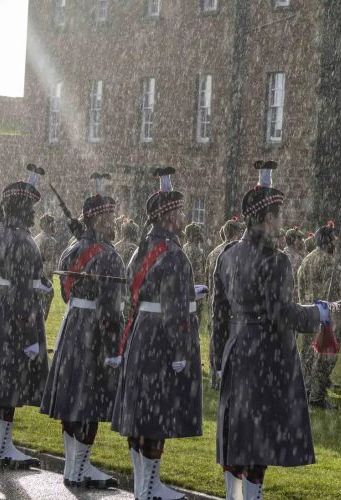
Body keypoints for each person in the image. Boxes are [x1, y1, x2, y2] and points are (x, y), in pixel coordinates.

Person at [213, 160, 334, 500]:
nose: (283, 223)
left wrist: (217, 357)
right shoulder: (276, 260)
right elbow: (282, 313)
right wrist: (320, 313)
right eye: (279, 216)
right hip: (265, 353)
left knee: (236, 431)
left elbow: (219, 313)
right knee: (258, 436)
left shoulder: (227, 256)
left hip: (236, 349)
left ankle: (233, 497)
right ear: (266, 218)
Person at [111, 167, 203, 500]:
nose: (183, 216)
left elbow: (136, 296)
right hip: (161, 338)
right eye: (178, 211)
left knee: (139, 412)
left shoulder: (139, 250)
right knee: (155, 415)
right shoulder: (175, 255)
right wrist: (180, 352)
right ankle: (150, 488)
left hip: (139, 333)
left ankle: (143, 485)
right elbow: (176, 309)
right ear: (167, 216)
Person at [41, 173, 124, 488]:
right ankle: (81, 467)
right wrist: (114, 345)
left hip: (72, 322)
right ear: (100, 219)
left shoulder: (70, 249)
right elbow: (111, 306)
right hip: (94, 331)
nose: (113, 221)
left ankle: (72, 467)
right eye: (109, 216)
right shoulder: (109, 255)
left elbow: (65, 292)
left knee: (71, 396)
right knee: (89, 399)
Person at [0, 164, 51, 469]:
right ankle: (4, 448)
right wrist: (30, 332)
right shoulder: (25, 241)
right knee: (10, 382)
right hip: (17, 316)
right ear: (24, 208)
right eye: (31, 206)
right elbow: (25, 288)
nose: (34, 212)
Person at [297, 221, 341, 409]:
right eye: (334, 240)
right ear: (328, 242)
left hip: (306, 312)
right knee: (325, 356)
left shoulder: (306, 260)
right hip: (323, 315)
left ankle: (305, 389)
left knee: (307, 355)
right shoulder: (329, 263)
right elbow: (331, 293)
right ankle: (316, 395)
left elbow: (300, 287)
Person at [207, 215, 244, 390]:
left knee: (215, 336)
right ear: (235, 232)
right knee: (227, 337)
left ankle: (215, 374)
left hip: (214, 300)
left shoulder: (214, 252)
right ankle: (224, 372)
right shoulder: (233, 253)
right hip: (229, 304)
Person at [34, 213, 59, 321]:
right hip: (44, 279)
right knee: (43, 315)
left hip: (35, 278)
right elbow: (48, 258)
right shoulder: (50, 240)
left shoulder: (36, 238)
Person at [183, 222, 208, 318]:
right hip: (196, 292)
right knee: (195, 320)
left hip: (183, 291)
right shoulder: (198, 252)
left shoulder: (182, 249)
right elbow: (201, 275)